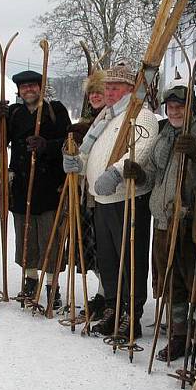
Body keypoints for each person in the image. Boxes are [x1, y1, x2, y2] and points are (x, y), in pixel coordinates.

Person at [63, 61, 159, 338]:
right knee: (109, 261)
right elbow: (91, 149)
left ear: (130, 89)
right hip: (101, 200)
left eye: (115, 88)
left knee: (130, 260)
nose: (108, 92)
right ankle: (113, 310)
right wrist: (78, 162)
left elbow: (140, 148)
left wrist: (116, 172)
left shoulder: (141, 115)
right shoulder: (106, 116)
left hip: (128, 199)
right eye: (107, 87)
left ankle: (132, 316)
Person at [144, 82, 196, 365]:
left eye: (180, 107)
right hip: (166, 221)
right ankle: (179, 337)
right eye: (170, 107)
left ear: (191, 108)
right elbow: (153, 171)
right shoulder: (163, 135)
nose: (175, 112)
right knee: (173, 284)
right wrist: (138, 174)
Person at [3, 70, 71, 305]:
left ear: (40, 88)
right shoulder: (14, 113)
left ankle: (53, 285)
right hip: (22, 186)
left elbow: (69, 142)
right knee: (26, 236)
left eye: (33, 86)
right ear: (19, 91)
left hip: (49, 186)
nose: (28, 90)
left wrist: (47, 146)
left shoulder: (56, 110)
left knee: (49, 236)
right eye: (24, 87)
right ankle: (30, 281)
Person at [68, 70, 107, 317]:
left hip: (102, 193)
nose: (94, 96)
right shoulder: (86, 122)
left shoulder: (111, 120)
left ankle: (106, 295)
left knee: (104, 247)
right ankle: (103, 293)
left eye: (99, 92)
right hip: (84, 192)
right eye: (91, 92)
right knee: (90, 247)